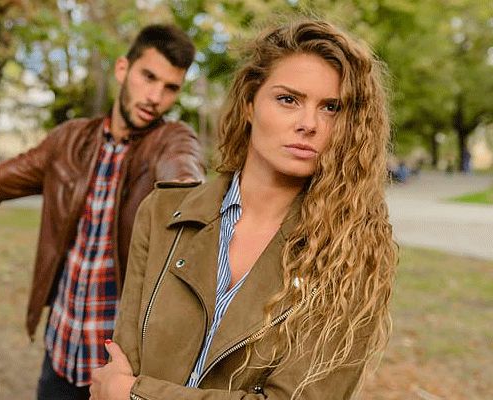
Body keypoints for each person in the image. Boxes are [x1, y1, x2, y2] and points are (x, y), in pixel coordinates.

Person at [89, 18, 396, 400]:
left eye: (331, 108)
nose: (309, 124)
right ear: (250, 105)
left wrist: (137, 395)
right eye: (288, 100)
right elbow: (124, 362)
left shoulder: (354, 253)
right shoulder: (162, 212)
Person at [0, 24, 205, 399]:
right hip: (61, 351)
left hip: (119, 370)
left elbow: (184, 178)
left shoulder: (171, 141)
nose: (155, 97)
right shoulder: (68, 141)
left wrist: (188, 199)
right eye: (148, 77)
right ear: (123, 69)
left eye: (170, 87)